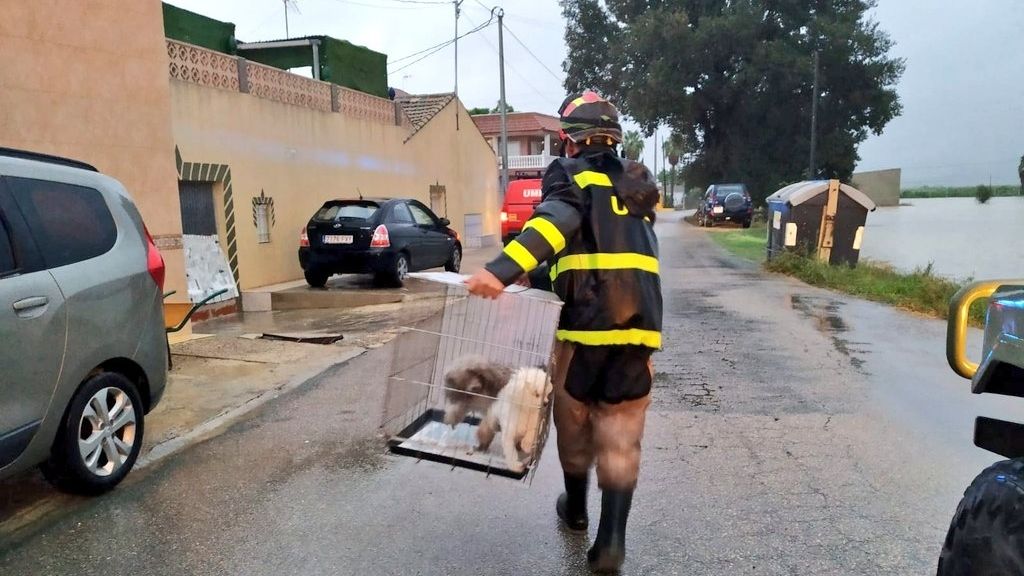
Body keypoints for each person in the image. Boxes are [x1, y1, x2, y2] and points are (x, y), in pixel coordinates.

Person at [465, 90, 662, 573]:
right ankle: (610, 542)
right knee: (620, 434)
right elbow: (595, 245)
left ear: (569, 143)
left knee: (574, 425)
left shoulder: (570, 176)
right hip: (640, 332)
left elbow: (557, 224)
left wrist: (502, 269)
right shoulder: (637, 185)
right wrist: (547, 271)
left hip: (585, 330)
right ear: (614, 140)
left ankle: (575, 511)